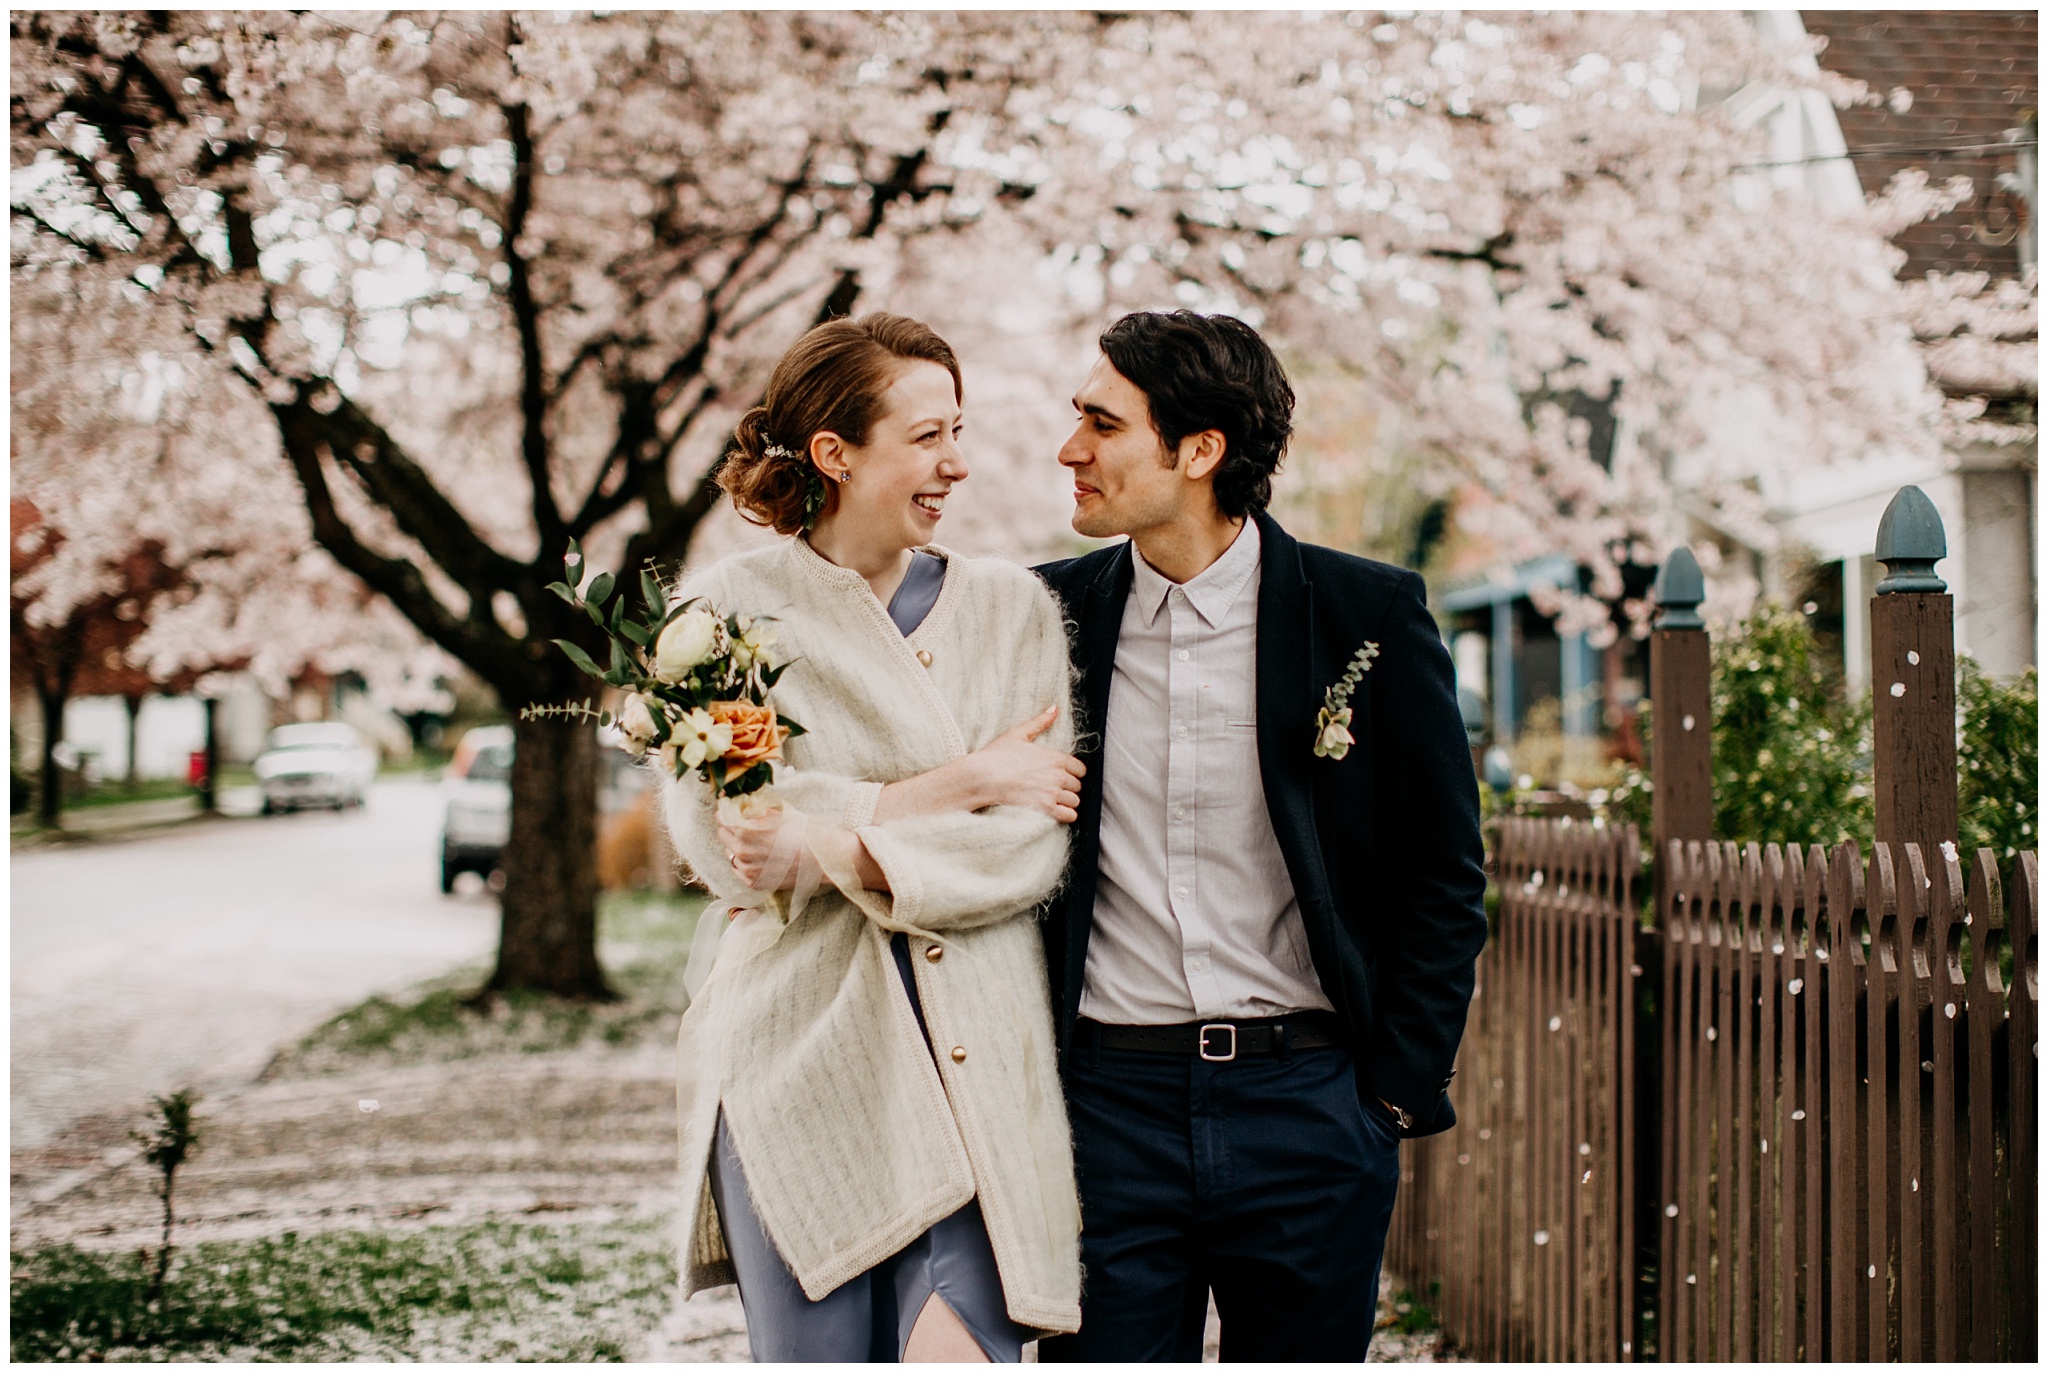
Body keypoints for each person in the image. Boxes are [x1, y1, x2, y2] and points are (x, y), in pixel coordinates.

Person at [1031, 310, 1489, 1361]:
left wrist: (1385, 1092)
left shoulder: (1363, 614)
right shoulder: (1042, 618)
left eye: (1100, 424)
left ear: (1198, 452)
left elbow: (1441, 872)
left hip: (1309, 1110)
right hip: (1104, 1114)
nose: (1070, 450)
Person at [661, 313, 1087, 1362]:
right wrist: (963, 779)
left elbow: (1027, 846)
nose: (957, 463)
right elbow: (731, 846)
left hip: (976, 1053)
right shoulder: (717, 616)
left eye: (959, 430)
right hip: (798, 1055)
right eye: (926, 436)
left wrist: (829, 847)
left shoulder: (1010, 611)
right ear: (833, 453)